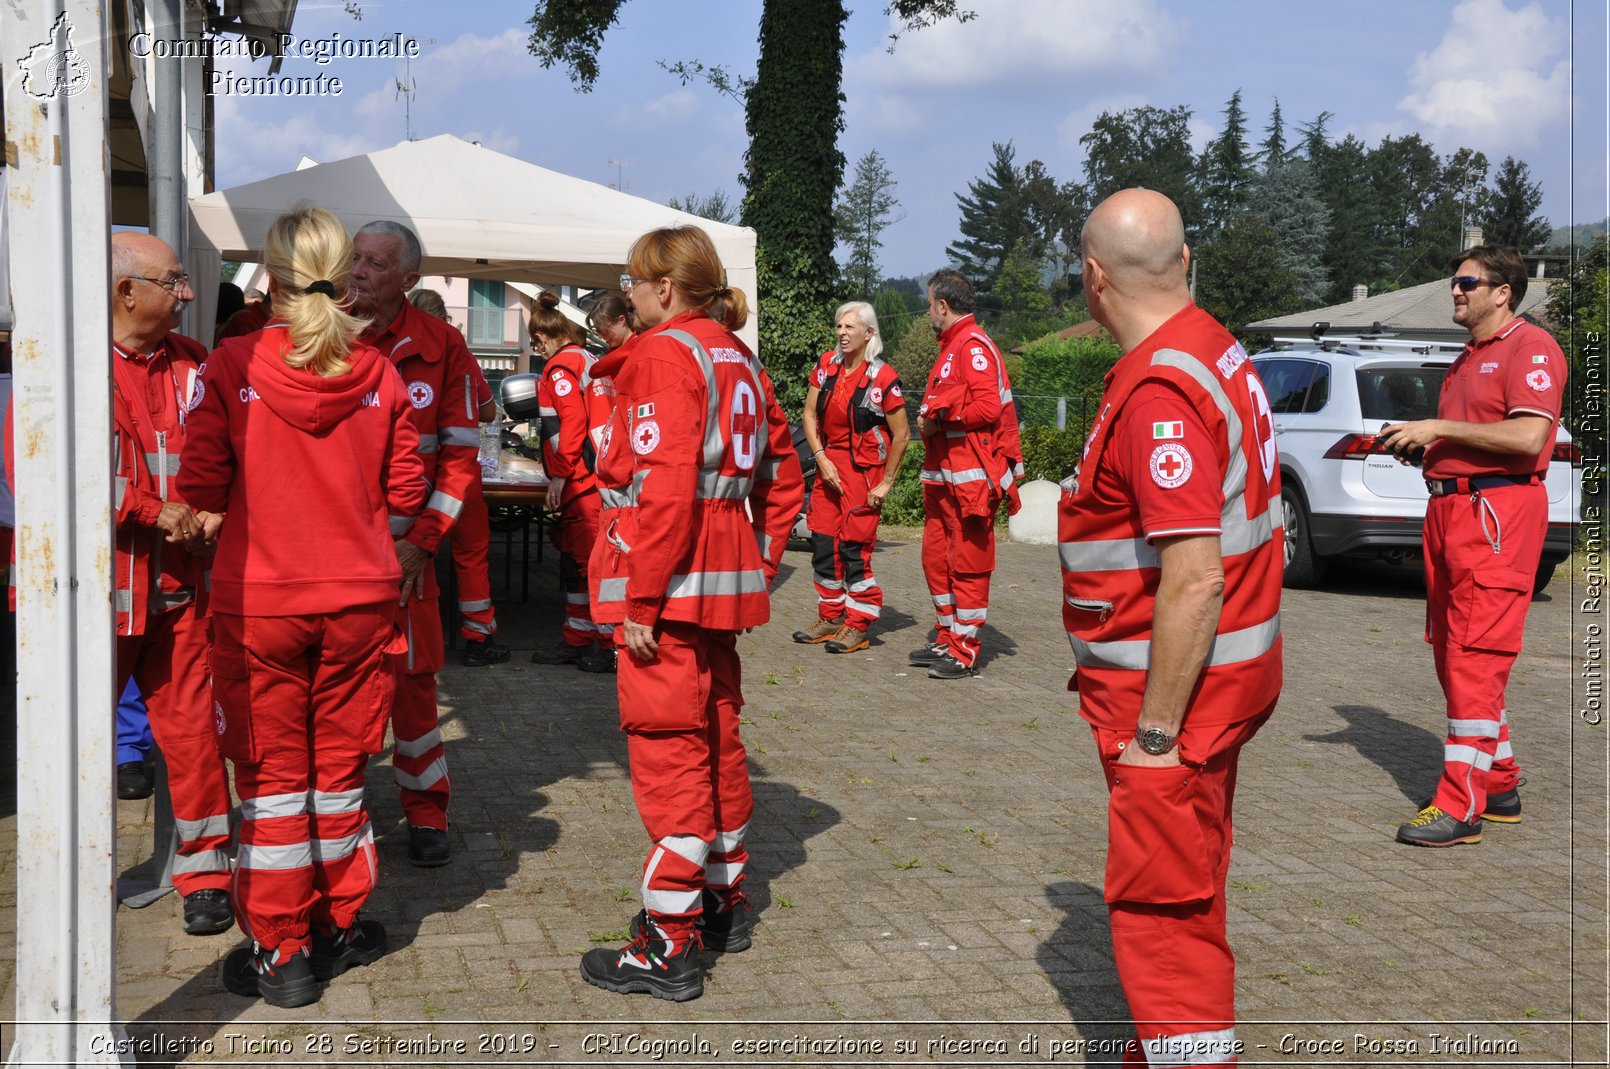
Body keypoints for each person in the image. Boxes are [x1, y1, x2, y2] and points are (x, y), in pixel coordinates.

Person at [180, 205, 428, 1008]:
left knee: (277, 781)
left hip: (262, 605)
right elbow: (406, 490)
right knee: (338, 773)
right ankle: (338, 923)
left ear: (273, 275)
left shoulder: (234, 362)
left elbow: (200, 486)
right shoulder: (380, 369)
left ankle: (281, 950)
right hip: (360, 600)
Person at [1059, 188, 1283, 1066]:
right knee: (1192, 885)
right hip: (1223, 688)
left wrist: (1155, 735)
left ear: (1092, 279)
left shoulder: (1161, 386)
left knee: (1162, 914)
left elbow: (1193, 576)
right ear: (1184, 261)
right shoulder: (1215, 350)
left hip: (1173, 707)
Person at [581, 225, 803, 1001]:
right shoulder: (736, 355)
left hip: (665, 592)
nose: (629, 293)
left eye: (634, 281)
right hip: (716, 589)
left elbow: (666, 483)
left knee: (669, 750)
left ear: (664, 287)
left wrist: (641, 595)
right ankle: (721, 900)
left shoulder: (666, 354)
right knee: (717, 739)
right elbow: (784, 474)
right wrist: (759, 563)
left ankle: (668, 940)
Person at [1379, 246, 1566, 846]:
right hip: (1452, 510)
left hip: (1496, 516)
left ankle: (1459, 806)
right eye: (1454, 281)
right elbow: (1477, 437)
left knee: (1475, 656)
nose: (1455, 291)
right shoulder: (1470, 356)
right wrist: (1424, 448)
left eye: (1466, 282)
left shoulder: (1530, 347)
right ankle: (1500, 783)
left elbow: (1530, 433)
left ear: (1503, 291)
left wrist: (1438, 429)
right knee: (1452, 650)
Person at [349, 220, 496, 868]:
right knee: (340, 694)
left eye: (375, 263)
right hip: (338, 559)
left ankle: (426, 812)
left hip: (408, 562)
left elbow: (461, 461)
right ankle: (340, 814)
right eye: (355, 258)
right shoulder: (324, 336)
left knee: (415, 694)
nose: (357, 272)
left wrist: (423, 542)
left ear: (409, 279)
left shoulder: (443, 345)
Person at [109, 231, 235, 937]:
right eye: (174, 280)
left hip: (182, 588)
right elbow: (39, 472)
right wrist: (157, 511)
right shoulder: (62, 366)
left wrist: (220, 504)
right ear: (128, 291)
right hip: (97, 595)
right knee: (79, 743)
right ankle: (74, 872)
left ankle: (207, 875)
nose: (187, 293)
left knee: (192, 733)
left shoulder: (196, 364)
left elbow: (229, 452)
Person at [911, 269, 1021, 679]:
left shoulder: (972, 345)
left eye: (929, 305)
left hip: (970, 480)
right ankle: (947, 635)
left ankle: (965, 648)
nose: (928, 313)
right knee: (935, 558)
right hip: (944, 478)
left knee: (967, 562)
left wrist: (940, 419)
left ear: (943, 305)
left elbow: (988, 408)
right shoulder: (953, 346)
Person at [792, 301, 910, 654]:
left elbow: (902, 435)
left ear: (868, 333)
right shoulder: (826, 366)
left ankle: (858, 624)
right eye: (839, 326)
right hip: (829, 466)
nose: (842, 333)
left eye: (850, 327)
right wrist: (820, 458)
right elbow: (810, 415)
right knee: (824, 546)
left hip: (864, 472)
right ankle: (831, 616)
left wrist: (886, 483)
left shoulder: (884, 379)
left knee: (854, 549)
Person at [408, 286, 508, 665]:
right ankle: (478, 637)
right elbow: (486, 412)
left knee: (413, 550)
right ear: (446, 320)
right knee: (470, 553)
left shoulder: (390, 349)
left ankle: (415, 633)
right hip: (457, 473)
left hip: (408, 474)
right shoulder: (459, 353)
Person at [529, 291, 614, 672]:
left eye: (536, 340)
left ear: (547, 335)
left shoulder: (560, 368)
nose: (536, 347)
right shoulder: (589, 360)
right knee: (578, 566)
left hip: (582, 482)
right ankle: (579, 639)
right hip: (594, 477)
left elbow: (573, 423)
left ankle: (606, 644)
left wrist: (560, 475)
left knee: (589, 566)